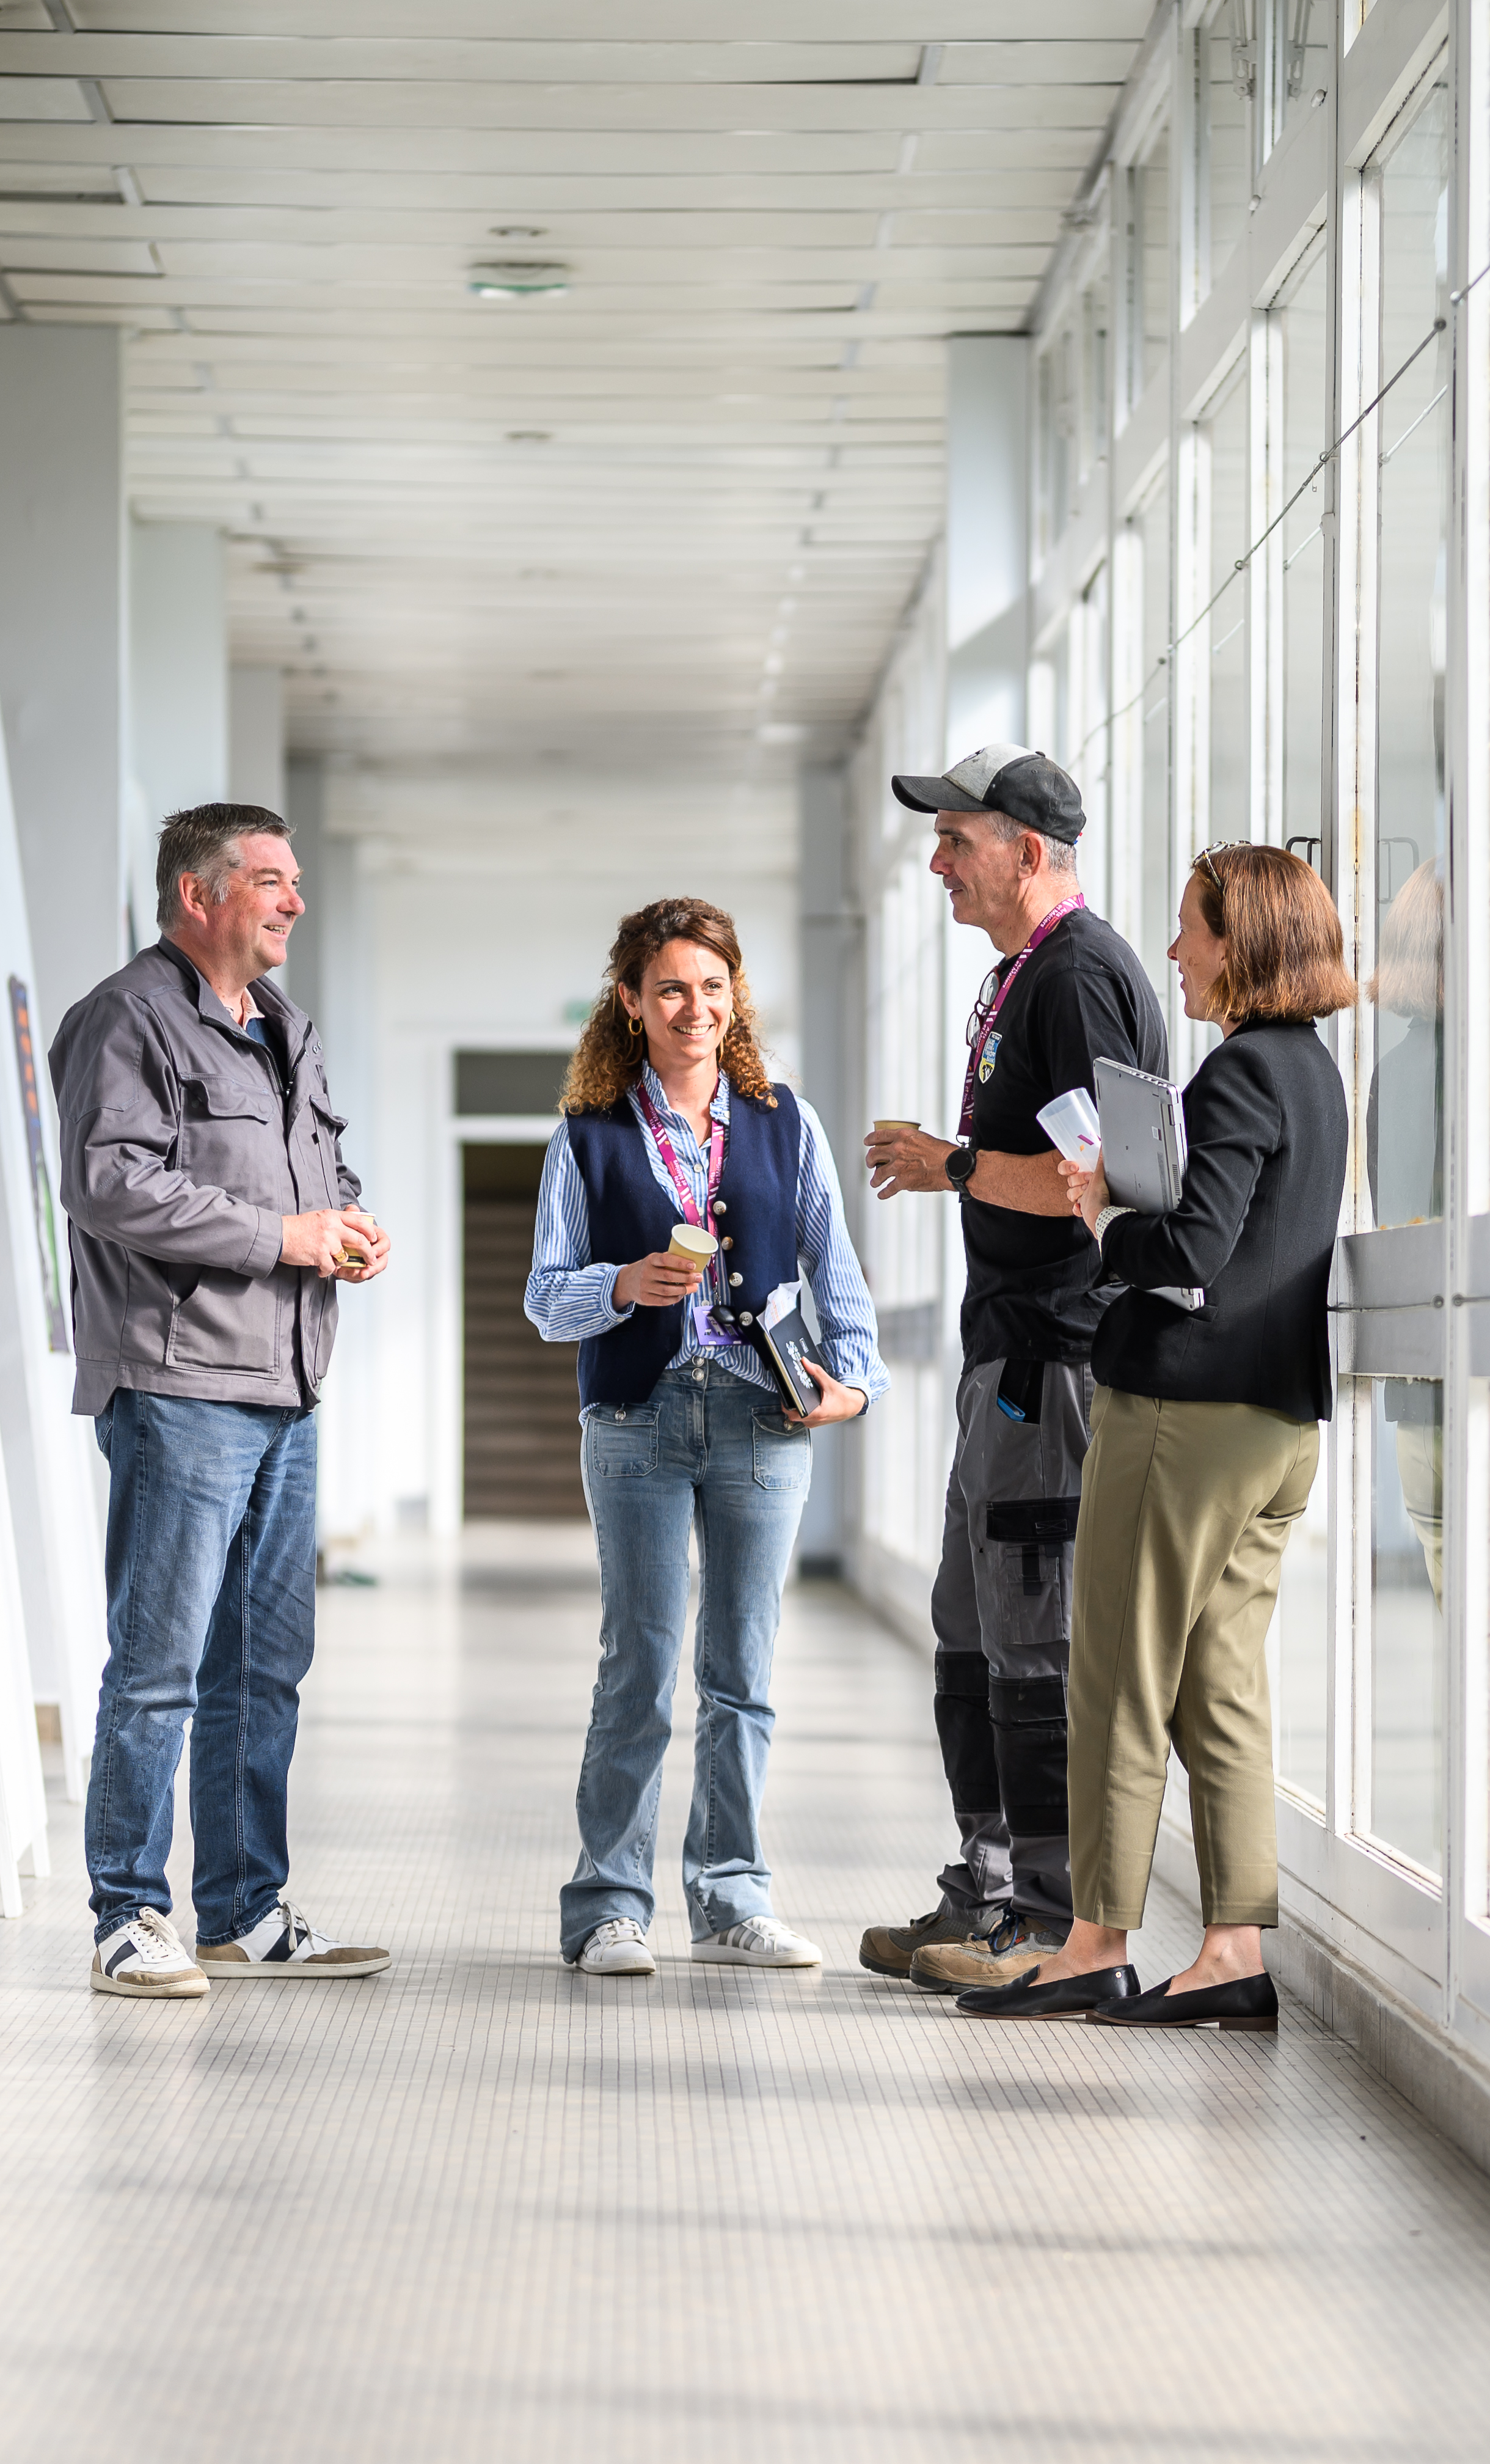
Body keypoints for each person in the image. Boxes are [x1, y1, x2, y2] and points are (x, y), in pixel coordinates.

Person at [957, 844, 1353, 2030]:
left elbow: (1193, 1250)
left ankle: (1095, 1940)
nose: (1175, 951)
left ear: (1244, 942)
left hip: (1187, 1414)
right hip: (1280, 1426)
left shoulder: (1237, 1077)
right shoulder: (1315, 1075)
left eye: (1191, 929)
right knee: (1222, 1687)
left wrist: (1103, 1217)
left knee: (1116, 1674)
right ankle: (1234, 1947)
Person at [49, 802, 395, 1999]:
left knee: (265, 1665)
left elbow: (309, 1172)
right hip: (182, 1384)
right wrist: (281, 1233)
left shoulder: (282, 1029)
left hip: (284, 1387)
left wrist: (339, 1221)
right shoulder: (130, 1020)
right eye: (269, 880)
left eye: (294, 880)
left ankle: (241, 1912)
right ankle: (124, 1917)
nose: (293, 900)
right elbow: (108, 1187)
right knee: (159, 1663)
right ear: (198, 896)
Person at [858, 744, 1167, 1996]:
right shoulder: (1023, 977)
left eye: (956, 840)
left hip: (1059, 1359)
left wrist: (954, 1166)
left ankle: (1047, 1918)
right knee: (970, 1624)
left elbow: (1113, 1184)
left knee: (1035, 1633)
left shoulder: (1082, 978)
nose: (937, 862)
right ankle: (987, 1887)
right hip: (1007, 1359)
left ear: (1027, 852)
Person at [527, 898, 886, 1976]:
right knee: (637, 1662)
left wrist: (854, 1387)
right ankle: (608, 1909)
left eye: (713, 987)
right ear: (631, 1003)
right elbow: (547, 1299)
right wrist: (622, 1286)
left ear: (737, 1002)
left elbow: (837, 1278)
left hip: (760, 1416)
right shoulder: (589, 1135)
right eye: (671, 988)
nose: (695, 1008)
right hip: (637, 1417)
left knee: (744, 1670)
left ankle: (732, 1902)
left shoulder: (788, 1121)